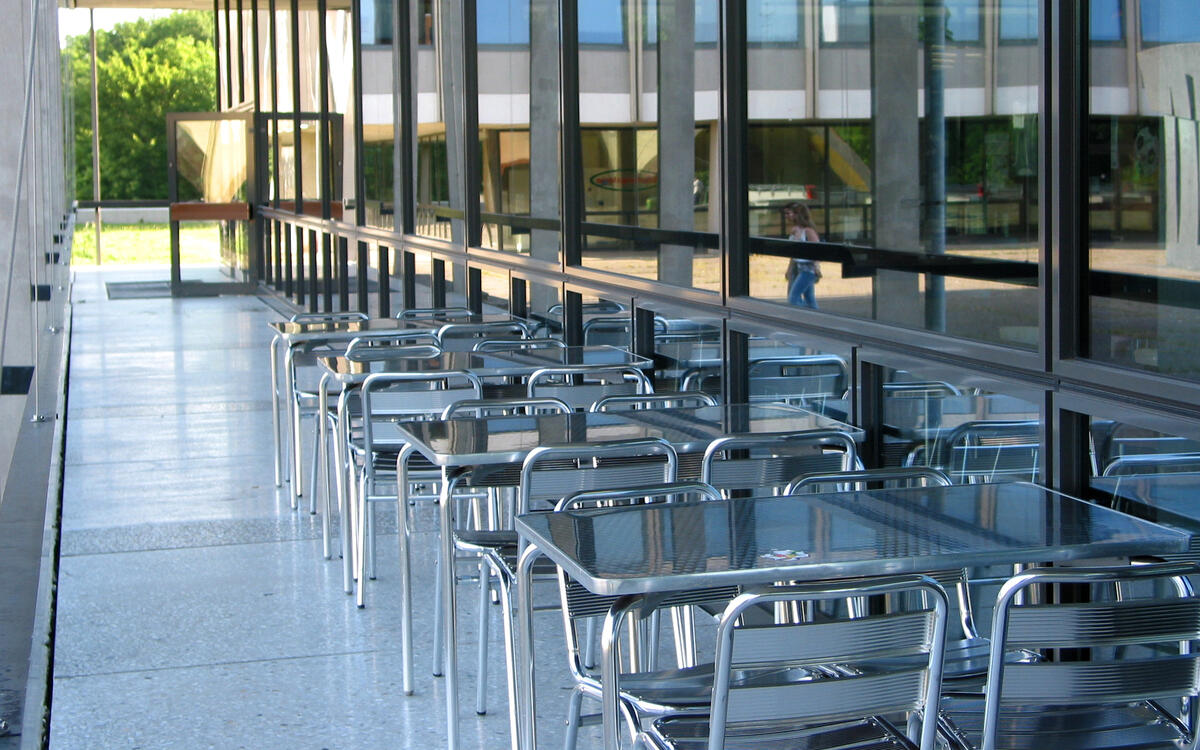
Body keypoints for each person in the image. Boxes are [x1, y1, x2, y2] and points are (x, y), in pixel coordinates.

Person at [781, 202, 820, 308]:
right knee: (810, 299)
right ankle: (815, 319)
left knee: (793, 298)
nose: (788, 216)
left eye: (790, 213)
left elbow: (818, 250)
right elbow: (793, 253)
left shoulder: (808, 231)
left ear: (798, 215)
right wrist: (789, 269)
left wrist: (817, 267)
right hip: (799, 268)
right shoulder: (795, 230)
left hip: (809, 270)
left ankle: (807, 315)